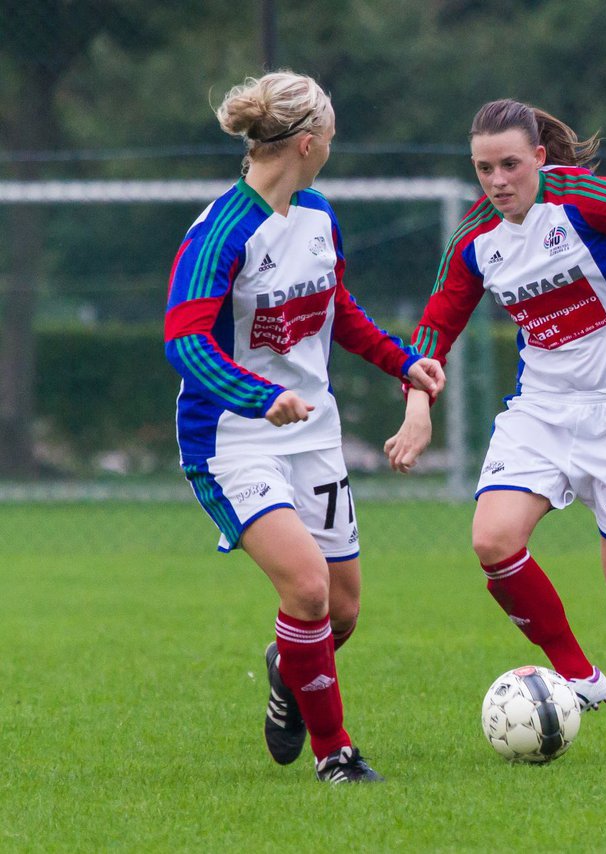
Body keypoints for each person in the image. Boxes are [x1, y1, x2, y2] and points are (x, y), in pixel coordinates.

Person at [385, 98, 606, 710]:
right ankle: (577, 676)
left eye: (510, 164)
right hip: (540, 411)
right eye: (484, 169)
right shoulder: (475, 239)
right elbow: (433, 332)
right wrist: (417, 408)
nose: (497, 181)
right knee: (492, 540)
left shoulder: (580, 199)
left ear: (538, 157)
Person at [163, 71, 444, 783]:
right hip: (234, 438)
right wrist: (259, 397)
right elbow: (185, 342)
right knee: (309, 591)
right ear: (309, 143)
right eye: (333, 141)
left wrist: (403, 364)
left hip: (313, 433)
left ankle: (288, 665)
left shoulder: (318, 214)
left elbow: (337, 309)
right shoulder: (221, 231)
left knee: (341, 613)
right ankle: (337, 756)